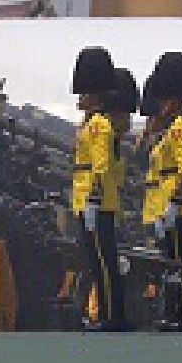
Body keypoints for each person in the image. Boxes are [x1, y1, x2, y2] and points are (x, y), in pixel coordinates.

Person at [141, 51, 182, 331]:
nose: (161, 106)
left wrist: (174, 203)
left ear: (175, 100)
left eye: (164, 100)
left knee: (181, 265)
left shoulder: (180, 130)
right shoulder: (171, 130)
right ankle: (178, 311)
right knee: (174, 263)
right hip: (171, 208)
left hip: (180, 210)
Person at [70, 46, 129, 332]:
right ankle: (108, 314)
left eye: (84, 93)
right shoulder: (93, 124)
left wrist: (92, 199)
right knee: (98, 262)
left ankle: (110, 317)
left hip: (96, 202)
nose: (80, 98)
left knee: (103, 263)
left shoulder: (98, 126)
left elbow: (101, 165)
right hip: (91, 200)